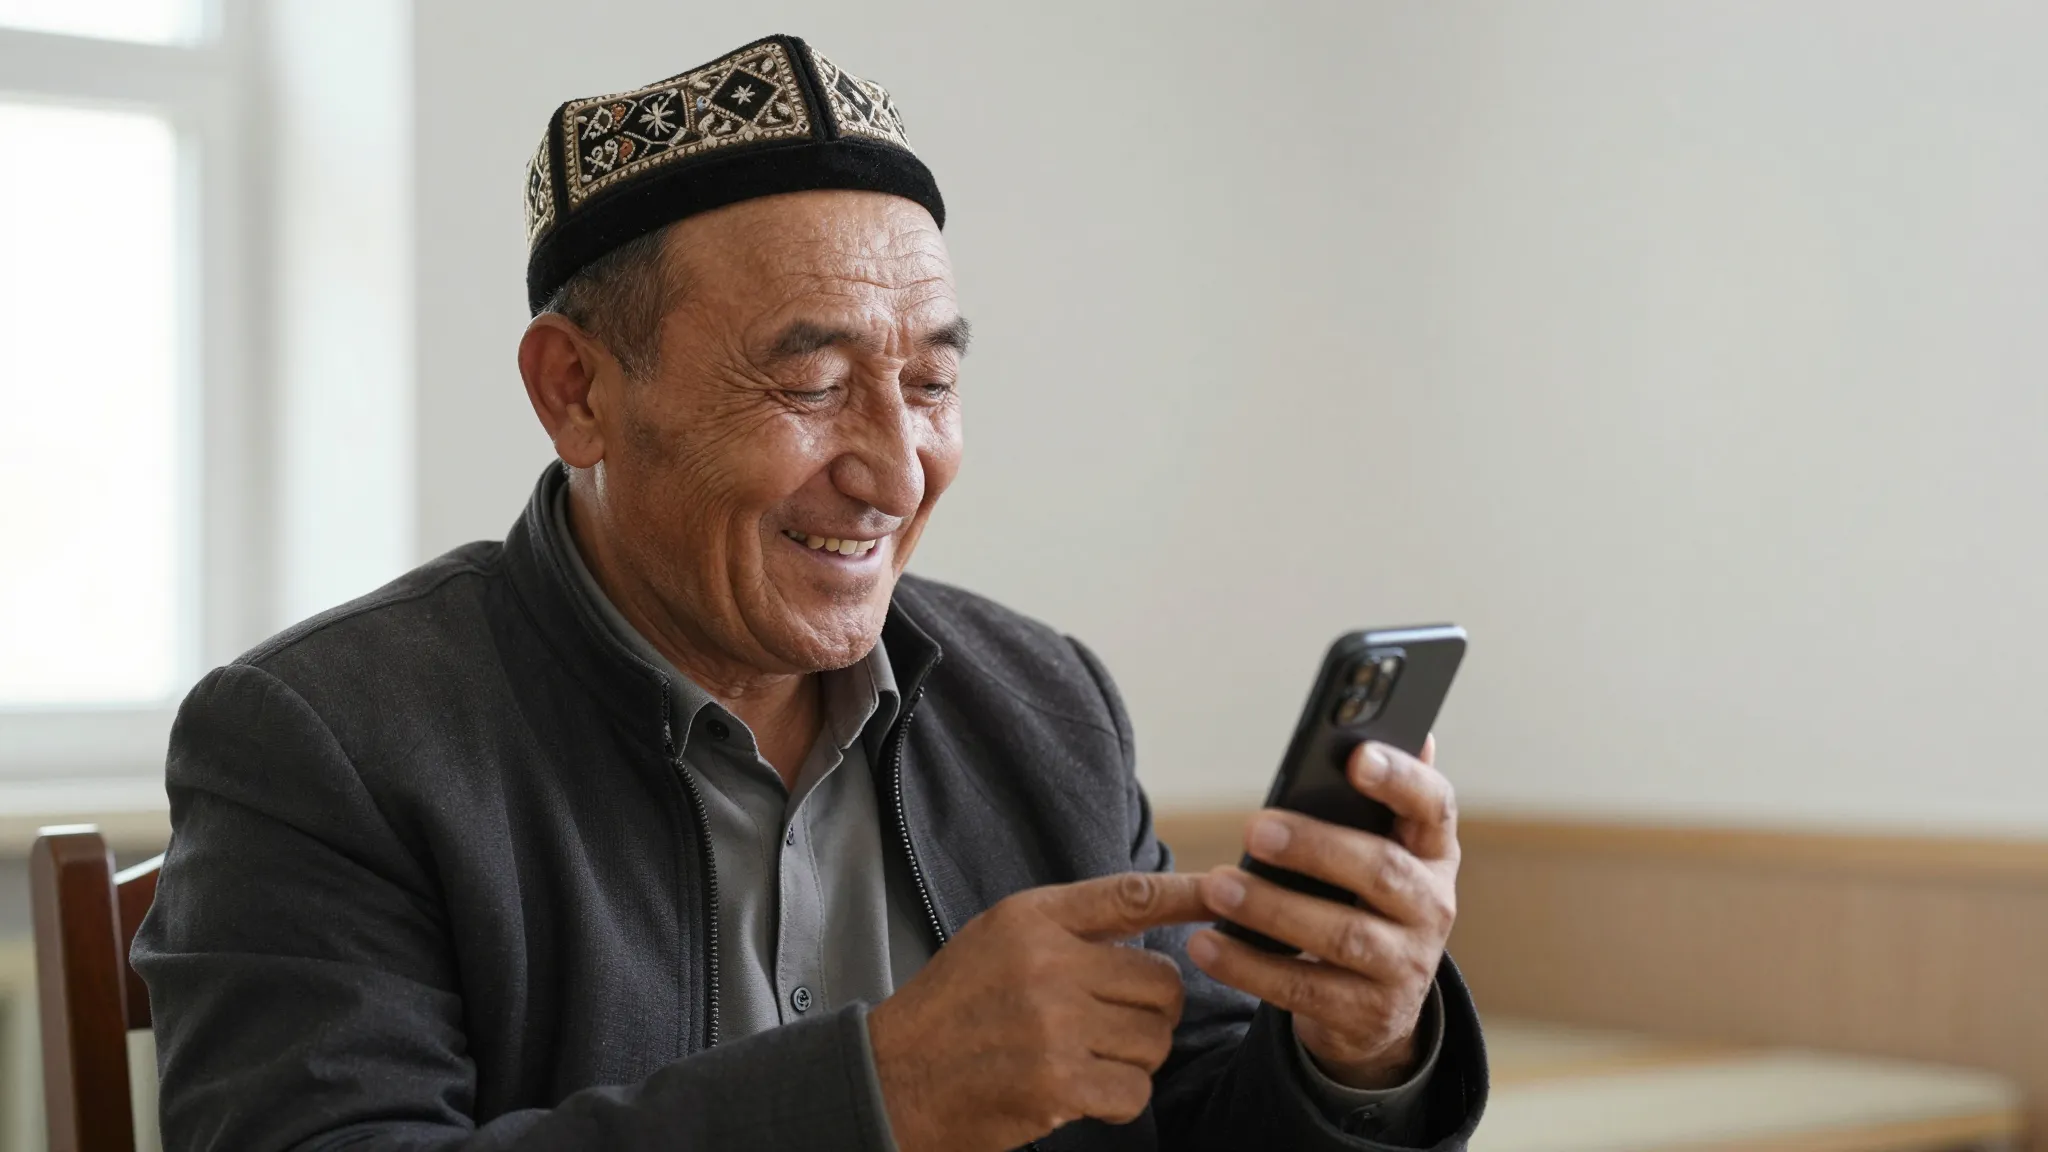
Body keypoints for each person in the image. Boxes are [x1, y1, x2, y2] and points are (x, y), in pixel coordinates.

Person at [135, 33, 1487, 1152]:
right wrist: (875, 1094)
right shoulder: (327, 740)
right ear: (579, 391)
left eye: (935, 383)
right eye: (813, 381)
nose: (897, 470)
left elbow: (1192, 1121)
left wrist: (1357, 1048)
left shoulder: (1045, 704)